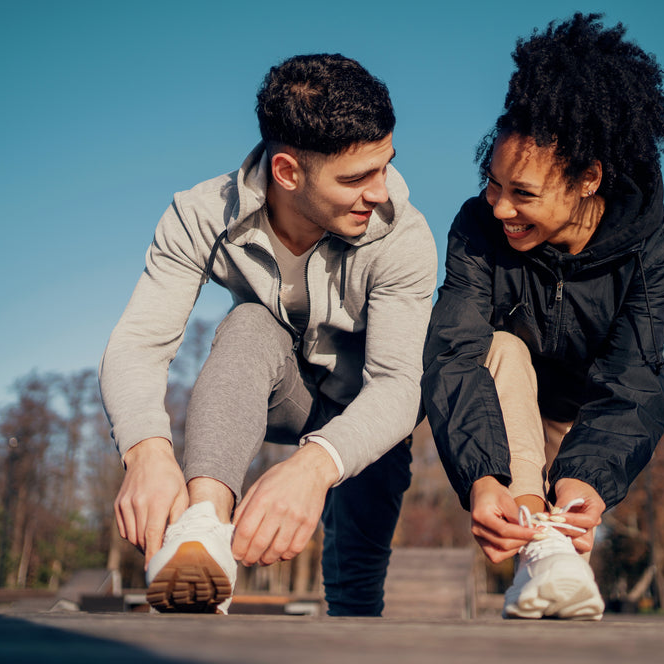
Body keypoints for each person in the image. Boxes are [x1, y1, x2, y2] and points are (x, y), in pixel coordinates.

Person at [100, 53, 437, 616]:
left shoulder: (402, 235)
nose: (380, 192)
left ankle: (353, 613)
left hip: (367, 415)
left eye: (385, 166)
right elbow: (138, 343)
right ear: (287, 172)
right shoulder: (200, 215)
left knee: (356, 601)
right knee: (249, 324)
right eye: (356, 178)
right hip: (282, 393)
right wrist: (146, 452)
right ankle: (203, 529)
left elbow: (400, 387)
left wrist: (312, 466)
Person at [421, 13, 664, 620]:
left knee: (561, 567)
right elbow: (456, 349)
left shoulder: (656, 249)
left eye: (524, 194)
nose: (501, 207)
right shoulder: (476, 227)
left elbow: (633, 377)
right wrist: (484, 477)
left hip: (579, 414)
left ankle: (551, 555)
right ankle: (541, 543)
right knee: (504, 347)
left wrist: (586, 482)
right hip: (496, 398)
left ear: (588, 179)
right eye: (494, 184)